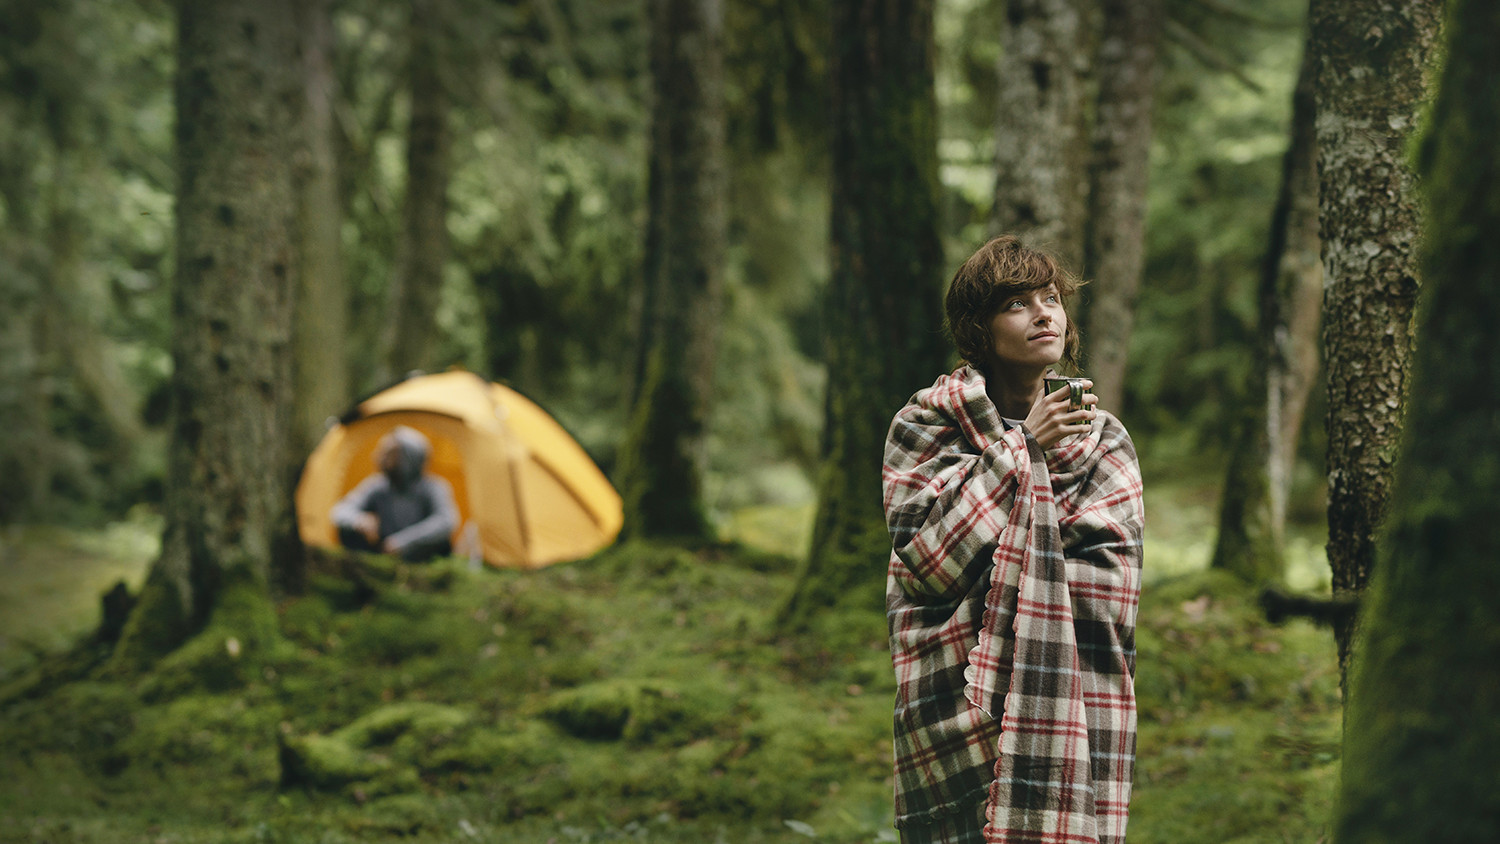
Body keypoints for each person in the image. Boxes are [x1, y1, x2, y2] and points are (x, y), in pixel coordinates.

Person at [883, 236, 1144, 843]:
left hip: (1074, 703)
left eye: (1051, 298)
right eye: (1018, 303)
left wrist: (1009, 557)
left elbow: (1111, 579)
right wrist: (1024, 447)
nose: (1044, 313)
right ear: (979, 328)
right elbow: (928, 565)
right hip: (955, 707)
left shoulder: (1101, 440)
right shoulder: (923, 426)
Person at [331, 425, 459, 562]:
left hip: (422, 557)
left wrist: (403, 542)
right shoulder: (378, 486)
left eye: (389, 454)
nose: (379, 458)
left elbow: (446, 521)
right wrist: (359, 521)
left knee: (441, 540)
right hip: (384, 554)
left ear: (408, 458)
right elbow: (339, 511)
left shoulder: (433, 487)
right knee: (347, 531)